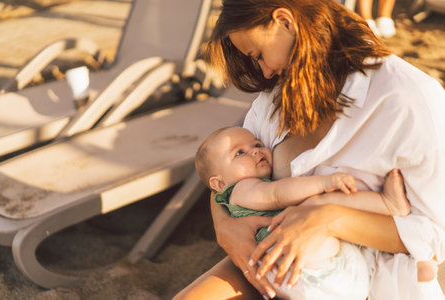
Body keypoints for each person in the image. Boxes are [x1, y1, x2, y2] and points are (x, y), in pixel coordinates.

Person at [174, 0, 445, 299]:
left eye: (259, 54)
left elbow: (435, 235)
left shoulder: (409, 101)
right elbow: (226, 171)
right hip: (275, 260)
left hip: (365, 279)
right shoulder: (278, 92)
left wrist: (328, 218)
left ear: (285, 22)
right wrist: (224, 227)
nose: (264, 72)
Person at [193, 125, 433, 299]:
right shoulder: (241, 190)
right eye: (239, 153)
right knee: (317, 205)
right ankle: (388, 206)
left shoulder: (233, 192)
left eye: (256, 144)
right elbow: (277, 193)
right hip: (303, 266)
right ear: (219, 185)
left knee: (344, 239)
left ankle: (410, 272)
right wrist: (323, 184)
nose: (255, 150)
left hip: (303, 278)